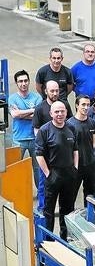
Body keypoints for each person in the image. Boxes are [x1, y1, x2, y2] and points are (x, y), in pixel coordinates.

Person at [35, 101, 78, 240]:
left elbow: (75, 150)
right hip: (53, 175)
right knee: (49, 211)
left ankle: (65, 238)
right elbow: (39, 155)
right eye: (57, 112)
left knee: (68, 209)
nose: (60, 114)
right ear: (51, 113)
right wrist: (48, 173)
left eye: (62, 111)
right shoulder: (44, 130)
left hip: (69, 174)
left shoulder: (71, 127)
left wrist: (75, 168)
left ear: (66, 112)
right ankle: (49, 240)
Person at [8, 70, 43, 209]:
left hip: (35, 139)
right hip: (19, 140)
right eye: (20, 81)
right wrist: (31, 112)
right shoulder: (12, 98)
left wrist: (22, 113)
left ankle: (41, 195)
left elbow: (38, 115)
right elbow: (14, 114)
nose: (23, 84)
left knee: (37, 169)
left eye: (25, 81)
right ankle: (16, 195)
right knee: (16, 169)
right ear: (16, 83)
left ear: (29, 82)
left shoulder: (37, 97)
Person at [66, 95, 95, 207]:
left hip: (90, 164)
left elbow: (94, 141)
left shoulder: (93, 123)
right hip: (75, 166)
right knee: (71, 195)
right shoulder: (69, 125)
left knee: (90, 195)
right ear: (76, 105)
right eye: (83, 104)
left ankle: (90, 219)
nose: (86, 107)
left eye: (88, 105)